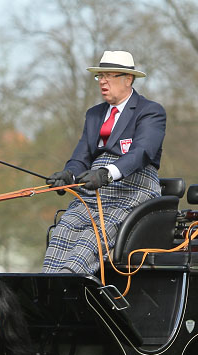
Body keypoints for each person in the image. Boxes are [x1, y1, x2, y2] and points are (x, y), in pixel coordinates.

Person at [43, 50, 166, 274]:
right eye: (100, 76)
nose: (102, 81)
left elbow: (142, 152)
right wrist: (68, 175)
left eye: (109, 75)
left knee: (92, 237)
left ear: (128, 79)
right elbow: (81, 157)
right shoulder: (94, 114)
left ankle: (69, 284)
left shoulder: (150, 111)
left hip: (133, 186)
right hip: (95, 187)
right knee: (63, 229)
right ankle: (48, 285)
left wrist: (108, 173)